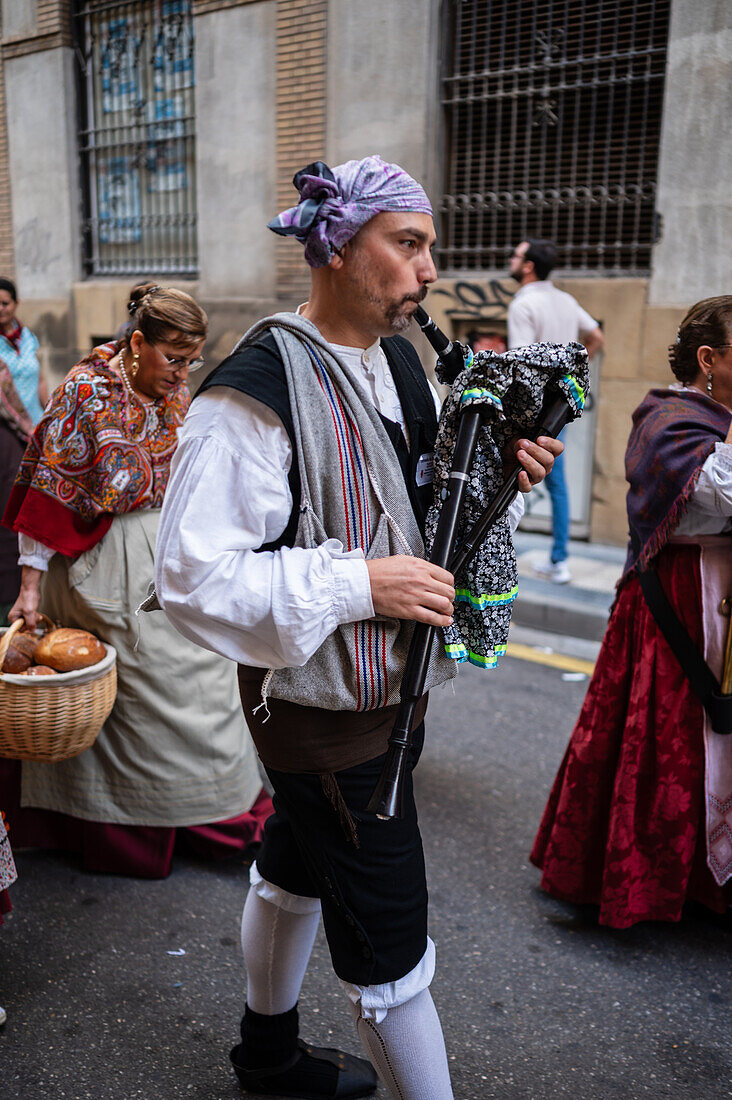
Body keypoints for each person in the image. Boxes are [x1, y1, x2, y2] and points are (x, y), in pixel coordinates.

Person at [155, 156, 561, 1099]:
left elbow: (409, 506)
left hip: (384, 686)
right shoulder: (248, 391)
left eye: (430, 249)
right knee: (388, 938)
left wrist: (498, 471)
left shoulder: (398, 365)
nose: (427, 272)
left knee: (296, 865)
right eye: (409, 245)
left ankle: (268, 1059)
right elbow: (190, 574)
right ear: (337, 246)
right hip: (317, 704)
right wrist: (357, 584)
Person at [0, 284, 271, 878]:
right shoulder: (85, 392)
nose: (183, 373)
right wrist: (28, 588)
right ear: (138, 342)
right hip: (109, 562)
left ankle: (215, 807)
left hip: (176, 551)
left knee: (202, 676)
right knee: (144, 694)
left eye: (192, 360)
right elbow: (48, 493)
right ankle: (122, 821)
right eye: (174, 358)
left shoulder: (171, 389)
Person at [531, 296, 732, 929]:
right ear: (709, 358)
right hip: (681, 601)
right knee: (671, 742)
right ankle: (649, 880)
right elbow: (716, 495)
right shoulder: (668, 418)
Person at [507, 240, 604, 583]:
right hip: (558, 408)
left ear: (529, 266)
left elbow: (520, 364)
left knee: (509, 476)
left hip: (529, 410)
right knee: (557, 483)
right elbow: (596, 336)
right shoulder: (566, 300)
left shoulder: (524, 304)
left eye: (516, 255)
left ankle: (501, 555)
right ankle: (559, 559)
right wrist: (570, 376)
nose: (511, 259)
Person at [0, 277, 47, 623]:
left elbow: (39, 379)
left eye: (5, 303)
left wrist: (47, 422)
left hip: (32, 429)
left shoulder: (28, 338)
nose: (0, 309)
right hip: (9, 434)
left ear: (15, 304)